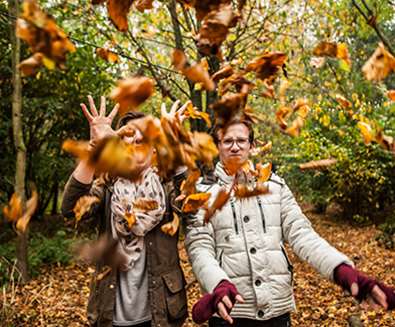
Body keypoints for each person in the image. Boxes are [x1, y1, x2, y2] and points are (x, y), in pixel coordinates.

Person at [184, 119, 395, 326]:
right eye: (227, 141)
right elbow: (199, 248)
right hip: (230, 310)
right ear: (217, 146)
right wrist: (218, 284)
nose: (235, 146)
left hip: (277, 309)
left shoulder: (275, 186)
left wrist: (343, 271)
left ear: (252, 145)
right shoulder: (200, 194)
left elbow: (302, 234)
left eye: (241, 140)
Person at [61, 96, 188, 327]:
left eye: (142, 140)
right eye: (128, 140)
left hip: (161, 314)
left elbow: (192, 210)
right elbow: (70, 211)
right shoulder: (105, 186)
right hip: (110, 314)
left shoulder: (167, 184)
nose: (135, 144)